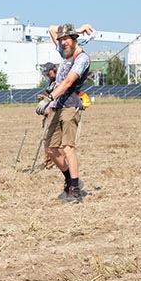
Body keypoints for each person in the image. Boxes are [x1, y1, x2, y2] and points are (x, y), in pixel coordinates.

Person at [36, 23, 94, 204]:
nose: (63, 43)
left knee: (68, 148)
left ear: (74, 40)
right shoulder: (64, 54)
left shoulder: (81, 58)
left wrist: (49, 97)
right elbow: (51, 28)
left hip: (70, 105)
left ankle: (75, 190)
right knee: (51, 149)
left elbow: (68, 82)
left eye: (67, 39)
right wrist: (77, 30)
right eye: (61, 40)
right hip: (57, 105)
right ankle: (70, 180)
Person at [38, 62, 59, 170]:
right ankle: (47, 161)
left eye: (49, 73)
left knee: (52, 139)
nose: (48, 75)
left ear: (54, 69)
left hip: (57, 112)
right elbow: (47, 93)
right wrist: (43, 97)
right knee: (46, 138)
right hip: (48, 114)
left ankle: (53, 162)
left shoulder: (61, 80)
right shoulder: (50, 82)